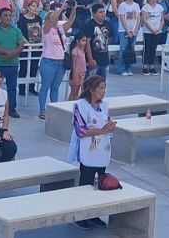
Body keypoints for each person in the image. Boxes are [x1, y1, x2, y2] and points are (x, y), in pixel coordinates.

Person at [66, 74, 114, 230]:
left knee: (100, 182)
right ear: (92, 90)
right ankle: (81, 216)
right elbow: (81, 130)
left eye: (104, 88)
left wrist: (110, 127)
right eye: (101, 88)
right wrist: (102, 130)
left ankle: (94, 214)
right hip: (87, 149)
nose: (103, 91)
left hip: (102, 150)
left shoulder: (104, 105)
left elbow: (106, 122)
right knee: (85, 183)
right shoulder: (80, 105)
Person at [38, 3, 76, 118]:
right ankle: (42, 110)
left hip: (61, 62)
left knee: (55, 87)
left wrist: (73, 9)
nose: (55, 20)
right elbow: (52, 19)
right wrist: (60, 8)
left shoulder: (60, 29)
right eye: (53, 18)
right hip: (49, 61)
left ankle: (54, 108)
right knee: (45, 87)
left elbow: (70, 22)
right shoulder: (46, 29)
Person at [0, 7, 27, 118]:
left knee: (12, 87)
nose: (8, 18)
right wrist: (6, 52)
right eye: (5, 15)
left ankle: (11, 108)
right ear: (0, 17)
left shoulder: (16, 30)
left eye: (10, 15)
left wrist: (12, 54)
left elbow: (21, 45)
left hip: (13, 63)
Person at [17, 0, 42, 96]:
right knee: (23, 67)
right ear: (27, 7)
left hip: (37, 47)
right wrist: (28, 44)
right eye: (32, 6)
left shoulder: (38, 19)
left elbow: (40, 31)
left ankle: (31, 87)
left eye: (36, 6)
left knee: (34, 67)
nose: (34, 8)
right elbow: (20, 33)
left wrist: (38, 45)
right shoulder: (22, 19)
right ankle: (22, 88)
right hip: (26, 47)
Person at [82, 3, 109, 79]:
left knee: (102, 84)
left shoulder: (107, 24)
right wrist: (90, 59)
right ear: (94, 13)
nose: (103, 14)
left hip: (104, 60)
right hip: (94, 60)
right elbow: (87, 43)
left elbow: (109, 39)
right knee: (91, 84)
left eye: (104, 12)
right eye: (100, 12)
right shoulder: (89, 25)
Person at [117, 0, 140, 76]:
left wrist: (135, 30)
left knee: (131, 50)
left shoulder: (136, 5)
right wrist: (127, 31)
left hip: (133, 30)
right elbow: (123, 19)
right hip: (124, 30)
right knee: (123, 49)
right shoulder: (122, 5)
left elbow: (138, 19)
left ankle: (129, 68)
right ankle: (121, 68)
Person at [140, 0, 164, 75]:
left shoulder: (160, 7)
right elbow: (145, 20)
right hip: (148, 31)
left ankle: (152, 65)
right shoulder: (145, 7)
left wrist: (159, 28)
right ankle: (145, 66)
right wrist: (152, 29)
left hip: (158, 31)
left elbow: (162, 19)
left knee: (154, 48)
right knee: (147, 48)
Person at [68, 34, 88, 101]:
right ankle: (69, 105)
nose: (85, 42)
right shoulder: (75, 50)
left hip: (81, 73)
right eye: (83, 40)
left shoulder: (82, 50)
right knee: (73, 92)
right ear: (77, 41)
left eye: (85, 41)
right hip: (76, 73)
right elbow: (73, 63)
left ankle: (75, 105)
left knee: (77, 92)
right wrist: (74, 74)